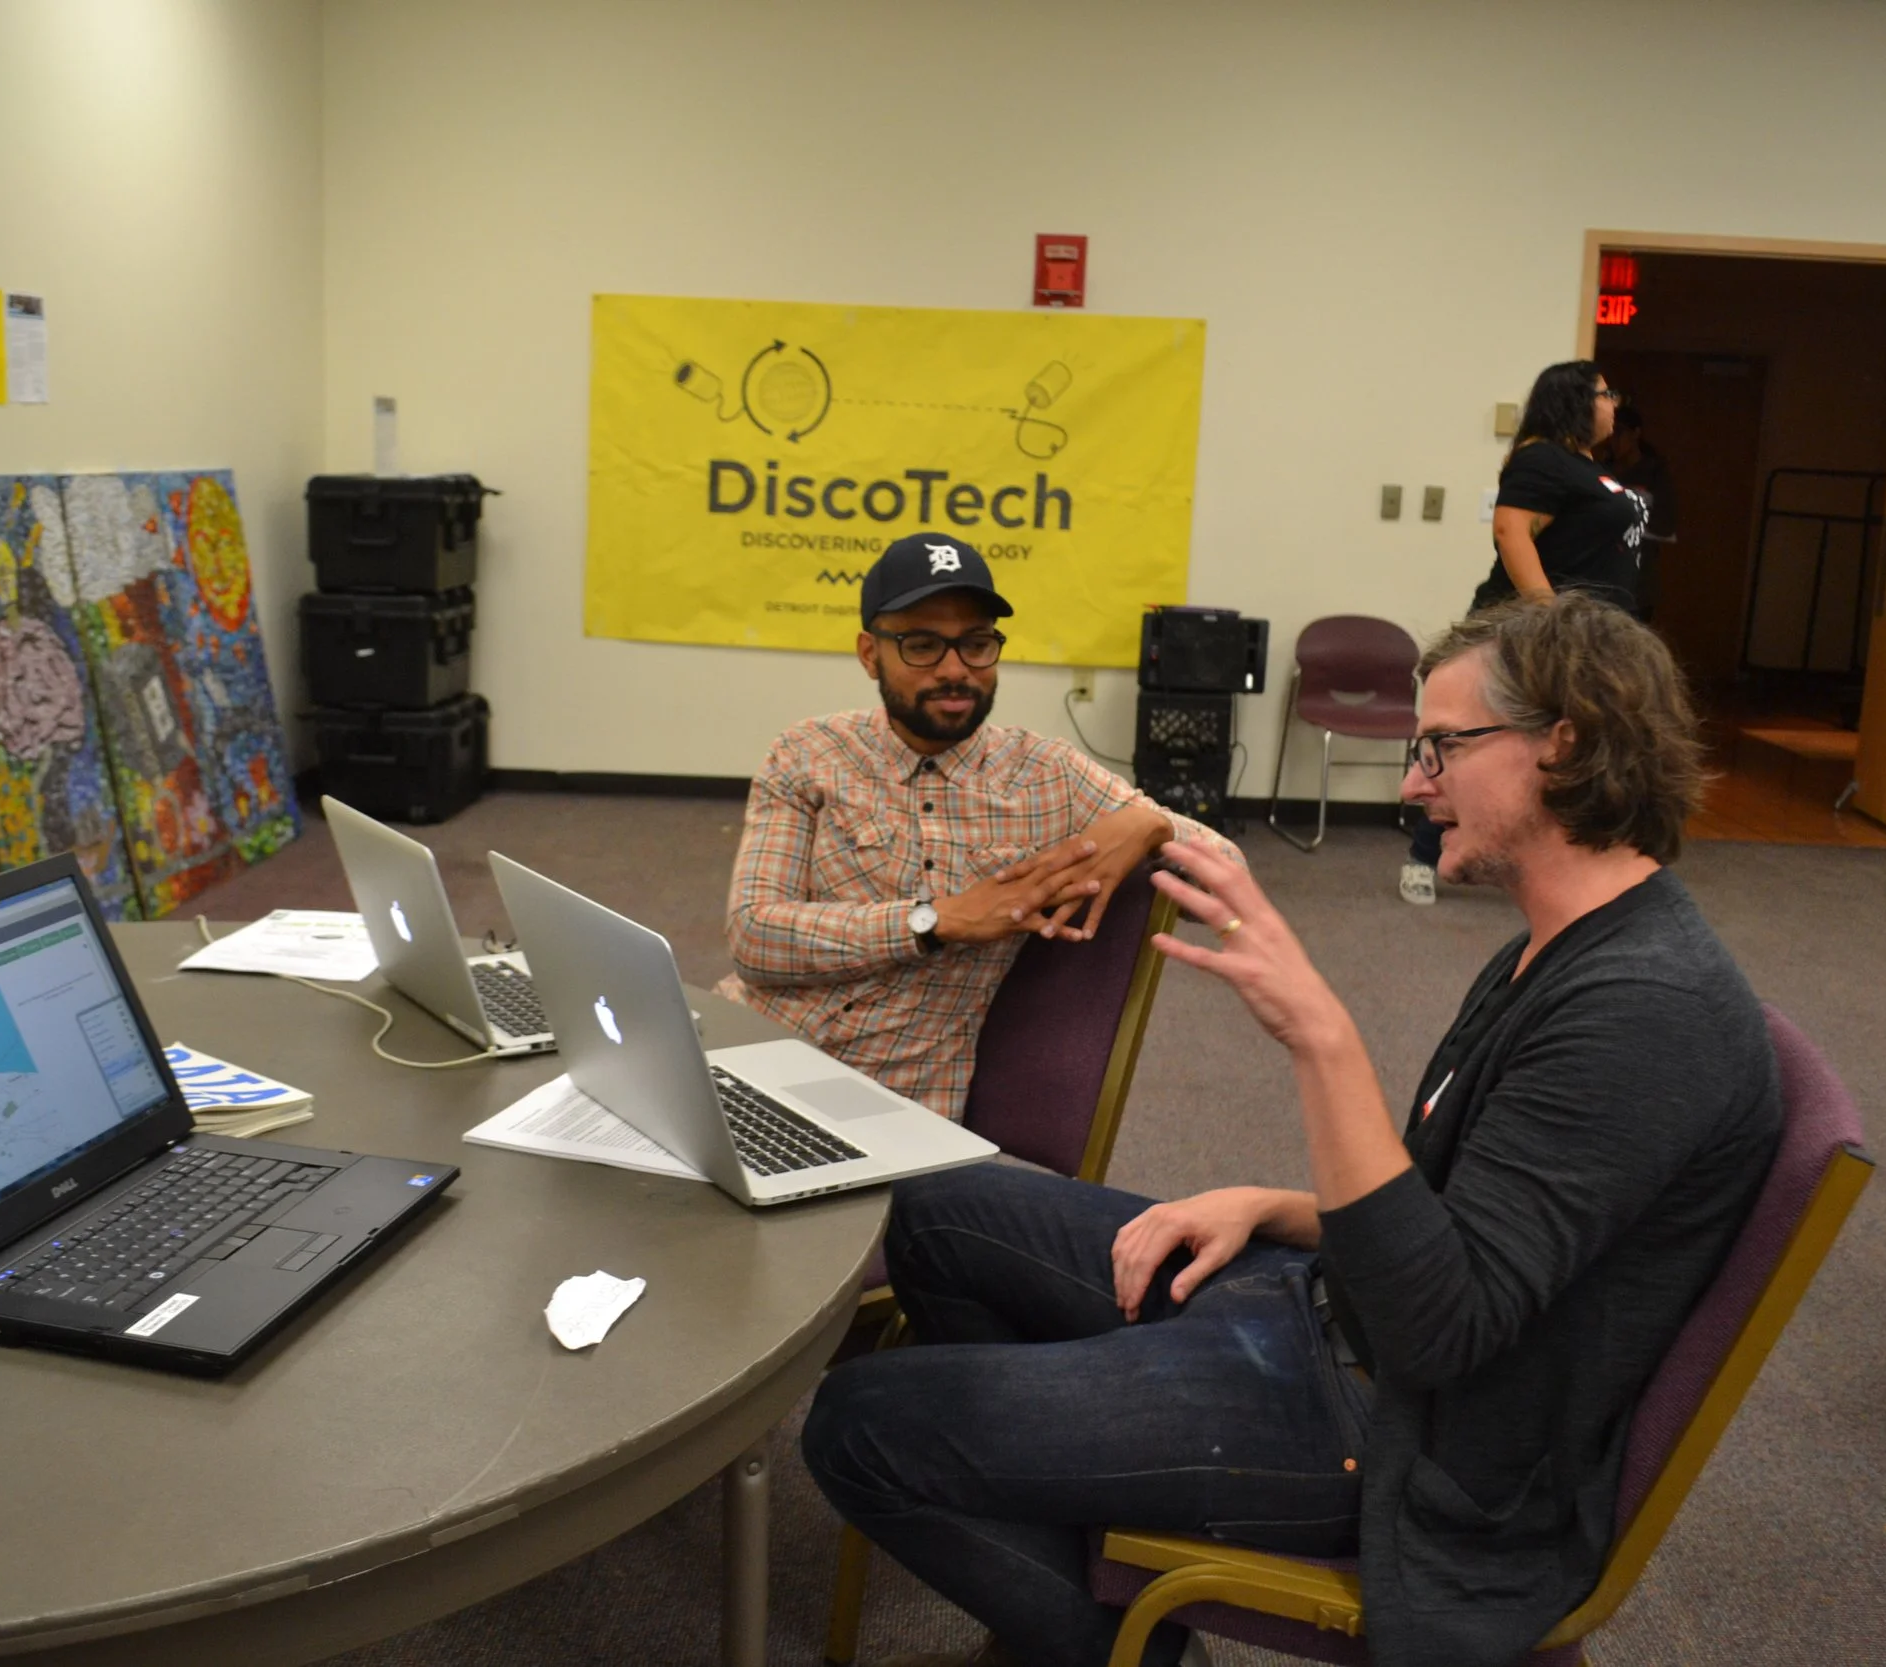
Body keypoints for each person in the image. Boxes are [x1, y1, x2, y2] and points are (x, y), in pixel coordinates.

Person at [803, 594, 1780, 1667]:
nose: (1413, 782)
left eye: (1443, 748)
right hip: (1339, 1313)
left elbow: (1439, 1328)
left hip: (1395, 1430)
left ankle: (1111, 1637)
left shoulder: (1645, 1010)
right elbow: (1466, 1217)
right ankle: (1065, 1529)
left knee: (859, 1420)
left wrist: (1321, 1036)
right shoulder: (1561, 949)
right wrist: (1275, 1207)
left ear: (1567, 743)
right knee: (942, 1209)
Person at [717, 533, 1240, 1118]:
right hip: (748, 1046)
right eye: (921, 646)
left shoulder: (1049, 777)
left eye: (976, 644)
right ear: (870, 654)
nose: (954, 670)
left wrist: (1151, 826)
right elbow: (753, 936)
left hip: (889, 1102)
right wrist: (934, 921)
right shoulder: (808, 752)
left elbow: (1230, 884)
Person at [1402, 361, 1646, 906]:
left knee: (1573, 749)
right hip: (1536, 637)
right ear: (1574, 401)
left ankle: (1571, 862)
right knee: (1492, 746)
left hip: (1596, 634)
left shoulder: (1590, 468)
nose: (1614, 404)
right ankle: (1425, 853)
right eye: (1607, 394)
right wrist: (1548, 619)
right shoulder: (1542, 458)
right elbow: (1512, 533)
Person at [1602, 403, 1676, 624]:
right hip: (1603, 572)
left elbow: (1665, 525)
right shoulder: (1603, 469)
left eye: (1620, 432)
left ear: (1635, 433)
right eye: (1611, 432)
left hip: (1639, 575)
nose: (1614, 439)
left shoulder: (1654, 472)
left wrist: (1630, 512)